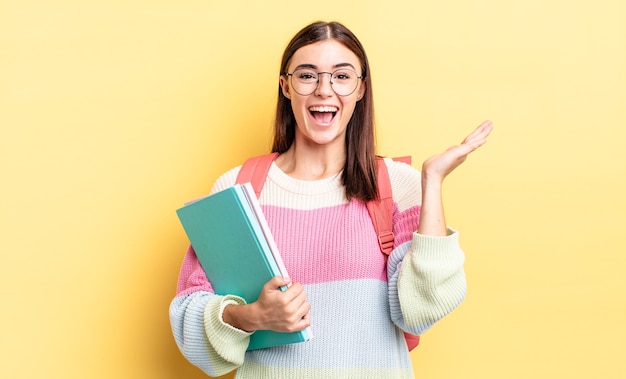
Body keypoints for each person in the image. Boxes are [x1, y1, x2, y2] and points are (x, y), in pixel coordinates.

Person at [170, 20, 493, 378]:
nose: (324, 90)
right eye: (308, 76)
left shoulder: (397, 185)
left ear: (360, 89)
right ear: (286, 87)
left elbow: (422, 309)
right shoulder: (240, 188)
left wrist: (432, 182)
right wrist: (252, 316)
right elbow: (191, 317)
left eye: (341, 76)